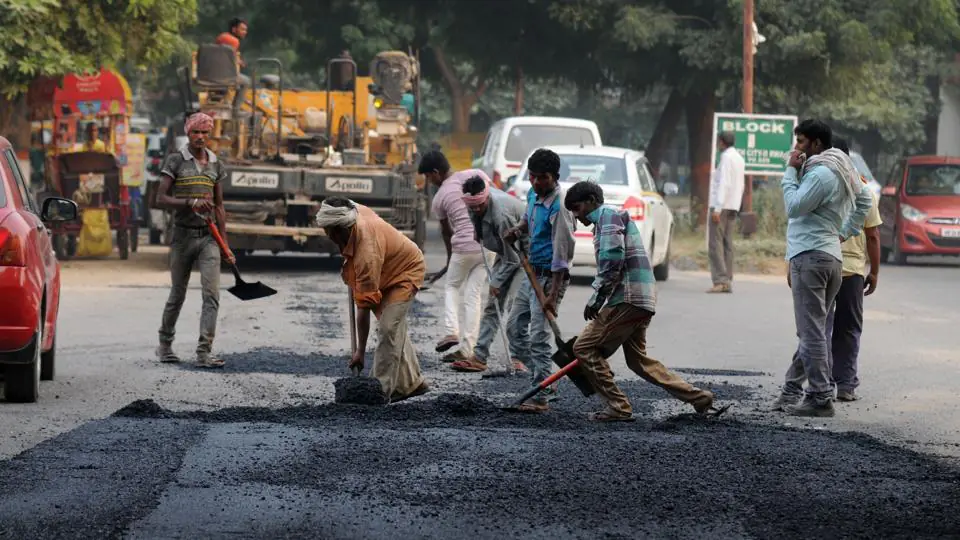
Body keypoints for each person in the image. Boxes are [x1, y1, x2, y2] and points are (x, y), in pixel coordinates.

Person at [562, 181, 725, 420]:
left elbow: (611, 261)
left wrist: (596, 299)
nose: (577, 216)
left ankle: (618, 406)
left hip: (628, 298)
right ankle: (699, 397)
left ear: (591, 201)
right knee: (639, 361)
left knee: (583, 348)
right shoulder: (611, 219)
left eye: (577, 208)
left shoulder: (607, 217)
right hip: (643, 298)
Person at [773, 120, 874, 417]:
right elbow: (866, 197)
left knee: (811, 333)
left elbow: (793, 206)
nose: (797, 148)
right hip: (830, 258)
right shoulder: (843, 167)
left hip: (811, 258)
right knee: (813, 329)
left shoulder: (821, 173)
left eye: (802, 142)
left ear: (817, 144)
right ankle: (791, 391)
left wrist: (790, 172)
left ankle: (819, 397)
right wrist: (846, 229)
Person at [791, 137, 882, 402]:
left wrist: (791, 266)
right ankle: (846, 385)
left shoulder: (815, 185)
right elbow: (873, 235)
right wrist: (874, 271)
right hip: (851, 270)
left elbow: (798, 227)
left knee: (819, 329)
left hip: (817, 266)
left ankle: (822, 384)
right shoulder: (863, 188)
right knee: (849, 328)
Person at [315, 197, 430, 402]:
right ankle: (414, 383)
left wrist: (360, 351)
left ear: (338, 230)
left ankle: (380, 391)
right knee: (393, 328)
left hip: (405, 271)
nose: (326, 234)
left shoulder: (366, 254)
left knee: (388, 328)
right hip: (384, 268)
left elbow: (363, 309)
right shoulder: (352, 210)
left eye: (327, 230)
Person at [154, 112, 234, 368]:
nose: (200, 137)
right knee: (178, 293)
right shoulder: (176, 161)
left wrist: (225, 244)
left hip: (209, 239)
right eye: (195, 133)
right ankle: (165, 345)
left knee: (211, 295)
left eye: (205, 133)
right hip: (182, 237)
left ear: (210, 136)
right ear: (188, 134)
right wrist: (190, 202)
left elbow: (220, 207)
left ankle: (204, 351)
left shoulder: (215, 164)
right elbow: (161, 199)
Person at [502, 148, 576, 413]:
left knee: (538, 336)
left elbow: (562, 256)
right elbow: (527, 221)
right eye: (532, 177)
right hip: (532, 271)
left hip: (551, 278)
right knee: (513, 327)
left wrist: (552, 296)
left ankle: (541, 396)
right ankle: (546, 379)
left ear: (554, 177)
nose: (535, 182)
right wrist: (517, 230)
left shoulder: (560, 207)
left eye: (542, 178)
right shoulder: (534, 194)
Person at [420, 150, 496, 363]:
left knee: (452, 287)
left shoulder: (440, 197)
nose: (428, 181)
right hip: (487, 246)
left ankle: (451, 330)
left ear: (435, 173)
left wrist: (449, 257)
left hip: (463, 247)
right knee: (473, 295)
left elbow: (446, 232)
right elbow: (494, 196)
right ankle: (468, 348)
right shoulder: (476, 174)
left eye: (427, 176)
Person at [448, 174, 529, 373]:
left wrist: (497, 282)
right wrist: (479, 232)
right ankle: (480, 357)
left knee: (516, 310)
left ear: (485, 197)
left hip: (526, 257)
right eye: (472, 206)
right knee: (493, 307)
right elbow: (501, 248)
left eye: (479, 206)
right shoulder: (473, 203)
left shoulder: (501, 215)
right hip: (507, 251)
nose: (475, 209)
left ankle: (521, 360)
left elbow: (515, 259)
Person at [707, 131, 745, 293]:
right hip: (733, 205)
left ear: (722, 142)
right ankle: (727, 278)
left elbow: (724, 184)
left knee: (715, 244)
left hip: (722, 206)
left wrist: (717, 208)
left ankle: (721, 280)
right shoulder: (739, 158)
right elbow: (740, 184)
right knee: (727, 243)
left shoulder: (726, 158)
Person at [215, 17, 250, 108]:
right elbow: (230, 59)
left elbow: (225, 55)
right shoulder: (233, 41)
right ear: (234, 29)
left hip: (212, 72)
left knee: (236, 84)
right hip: (223, 74)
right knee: (246, 81)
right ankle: (236, 110)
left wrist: (237, 60)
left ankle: (220, 97)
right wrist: (239, 62)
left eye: (245, 30)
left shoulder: (221, 36)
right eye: (242, 29)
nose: (245, 32)